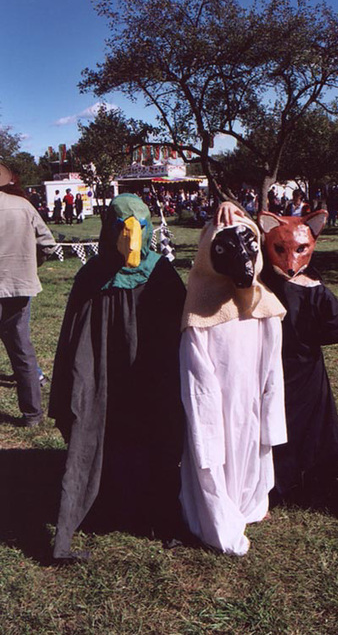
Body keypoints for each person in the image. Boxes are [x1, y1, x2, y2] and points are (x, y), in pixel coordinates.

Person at [49, 193, 186, 559]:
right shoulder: (96, 275)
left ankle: (157, 510)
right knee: (99, 424)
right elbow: (74, 336)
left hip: (149, 371)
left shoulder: (158, 272)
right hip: (102, 373)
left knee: (153, 425)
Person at [216, 202, 338, 503]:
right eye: (280, 250)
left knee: (287, 421)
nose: (291, 262)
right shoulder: (281, 285)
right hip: (284, 366)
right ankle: (290, 477)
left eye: (300, 250)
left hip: (289, 366)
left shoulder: (298, 286)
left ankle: (294, 477)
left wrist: (310, 339)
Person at [179, 214, 287, 555]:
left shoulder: (263, 303)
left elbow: (271, 362)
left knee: (251, 439)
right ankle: (218, 509)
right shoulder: (200, 309)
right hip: (217, 399)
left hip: (250, 397)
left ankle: (251, 501)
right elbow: (197, 376)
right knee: (217, 448)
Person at [0, 162, 56, 427]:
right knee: (22, 351)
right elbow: (47, 244)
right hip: (19, 288)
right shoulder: (24, 206)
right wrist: (31, 265)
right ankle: (32, 414)